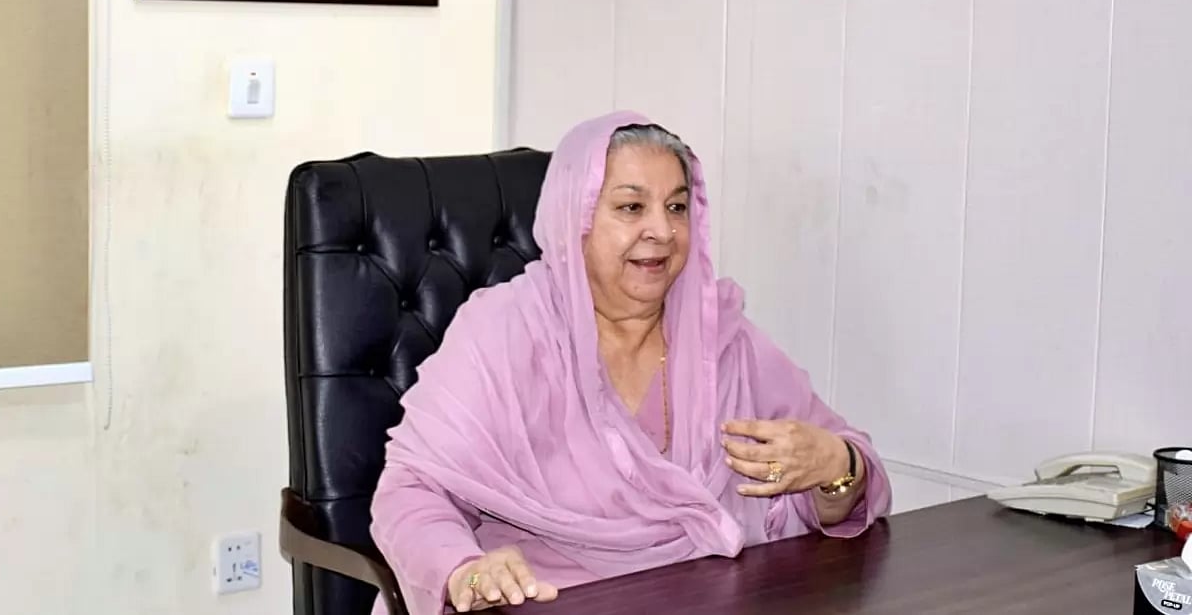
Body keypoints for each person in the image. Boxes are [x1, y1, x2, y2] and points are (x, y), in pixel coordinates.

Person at [370, 111, 891, 615]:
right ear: (574, 219)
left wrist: (836, 469)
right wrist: (466, 571)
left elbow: (840, 475)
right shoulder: (504, 333)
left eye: (677, 207)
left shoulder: (721, 337)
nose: (662, 230)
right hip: (550, 601)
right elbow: (411, 491)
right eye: (631, 207)